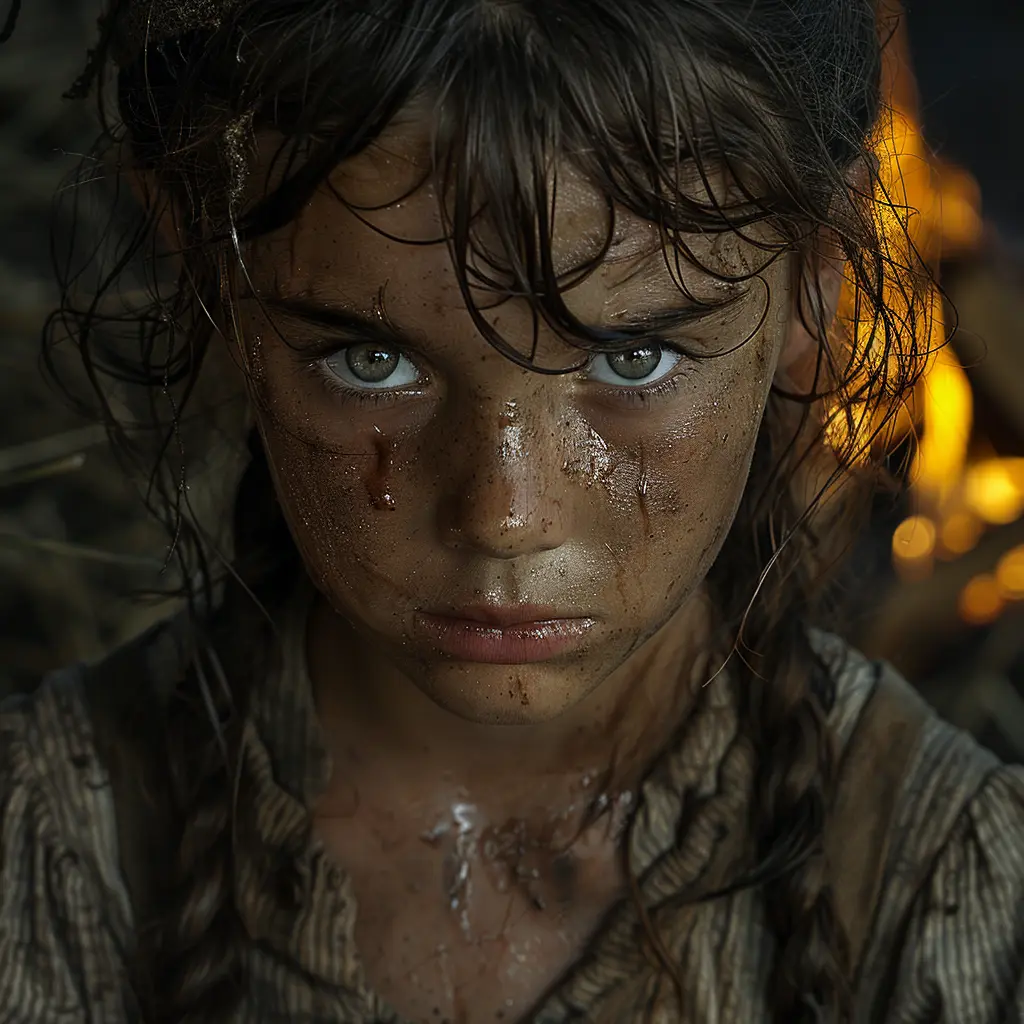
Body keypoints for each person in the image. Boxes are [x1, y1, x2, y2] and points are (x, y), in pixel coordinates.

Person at [1, 0, 1022, 1021]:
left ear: (815, 280)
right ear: (208, 263)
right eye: (372, 361)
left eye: (634, 358)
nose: (505, 514)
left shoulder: (962, 905)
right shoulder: (39, 856)